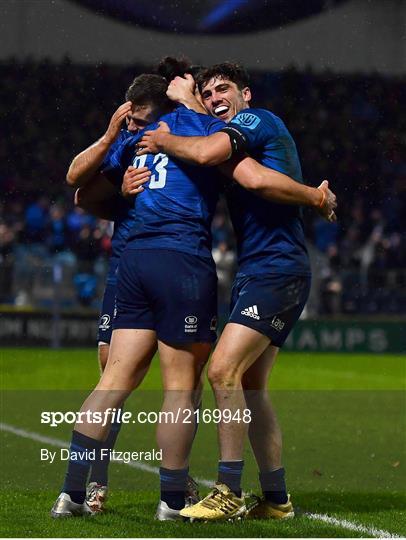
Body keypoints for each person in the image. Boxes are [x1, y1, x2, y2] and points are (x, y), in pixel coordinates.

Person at [136, 62, 337, 521]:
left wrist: (171, 131)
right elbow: (245, 173)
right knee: (252, 385)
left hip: (275, 269)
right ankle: (277, 498)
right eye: (207, 93)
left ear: (245, 92)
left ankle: (228, 491)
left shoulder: (256, 119)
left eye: (222, 88)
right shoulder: (232, 138)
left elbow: (236, 169)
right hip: (262, 270)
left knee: (222, 371)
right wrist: (312, 195)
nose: (214, 97)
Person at [51, 69, 226, 520]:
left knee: (112, 381)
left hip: (133, 261)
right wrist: (192, 102)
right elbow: (225, 144)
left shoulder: (136, 141)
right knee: (180, 388)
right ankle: (171, 501)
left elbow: (82, 186)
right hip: (181, 260)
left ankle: (70, 493)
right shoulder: (202, 124)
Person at [63, 75, 161, 511]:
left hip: (180, 266)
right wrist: (109, 135)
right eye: (129, 121)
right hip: (126, 269)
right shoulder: (123, 145)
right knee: (112, 376)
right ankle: (94, 483)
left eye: (140, 121)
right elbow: (76, 183)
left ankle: (181, 485)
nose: (132, 129)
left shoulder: (185, 141)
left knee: (186, 382)